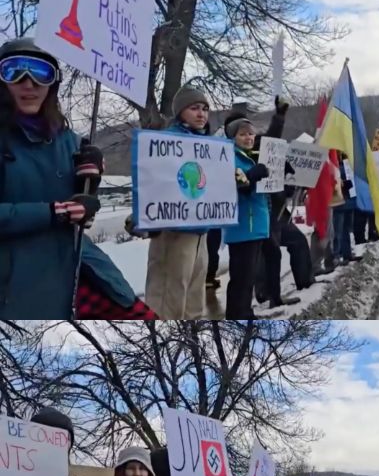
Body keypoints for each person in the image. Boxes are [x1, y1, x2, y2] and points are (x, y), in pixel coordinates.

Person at [0, 37, 149, 320]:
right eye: (14, 71)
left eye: (40, 72)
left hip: (81, 268)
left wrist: (89, 188)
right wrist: (52, 213)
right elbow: (57, 211)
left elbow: (82, 211)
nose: (28, 83)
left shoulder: (70, 141)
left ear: (52, 83)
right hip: (16, 285)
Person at [144, 86, 213, 320]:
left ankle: (193, 335)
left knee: (194, 295)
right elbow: (152, 179)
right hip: (173, 230)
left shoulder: (209, 145)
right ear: (180, 112)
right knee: (168, 296)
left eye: (205, 109)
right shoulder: (166, 141)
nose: (201, 114)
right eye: (194, 108)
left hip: (200, 231)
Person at [223, 117, 270, 319]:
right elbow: (234, 185)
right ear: (233, 137)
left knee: (248, 276)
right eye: (242, 134)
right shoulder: (230, 157)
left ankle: (245, 311)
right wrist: (252, 175)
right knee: (241, 277)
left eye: (250, 133)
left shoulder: (252, 157)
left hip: (256, 224)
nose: (248, 137)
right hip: (243, 226)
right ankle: (238, 314)